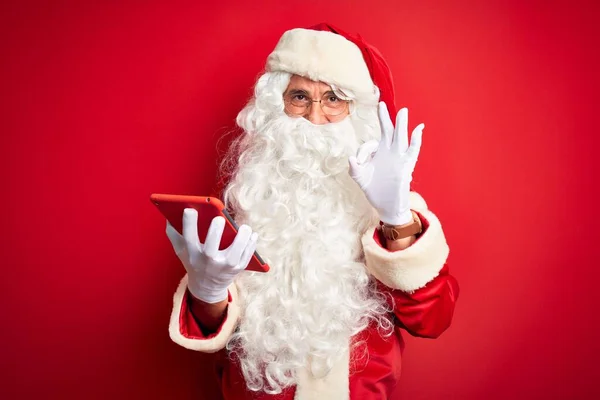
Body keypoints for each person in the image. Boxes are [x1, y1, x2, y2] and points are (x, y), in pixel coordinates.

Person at [164, 23, 459, 400]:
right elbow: (212, 327)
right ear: (276, 104)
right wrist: (208, 291)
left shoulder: (390, 206)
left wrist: (396, 217)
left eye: (334, 98)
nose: (314, 117)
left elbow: (433, 320)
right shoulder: (247, 199)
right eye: (300, 96)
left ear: (356, 112)